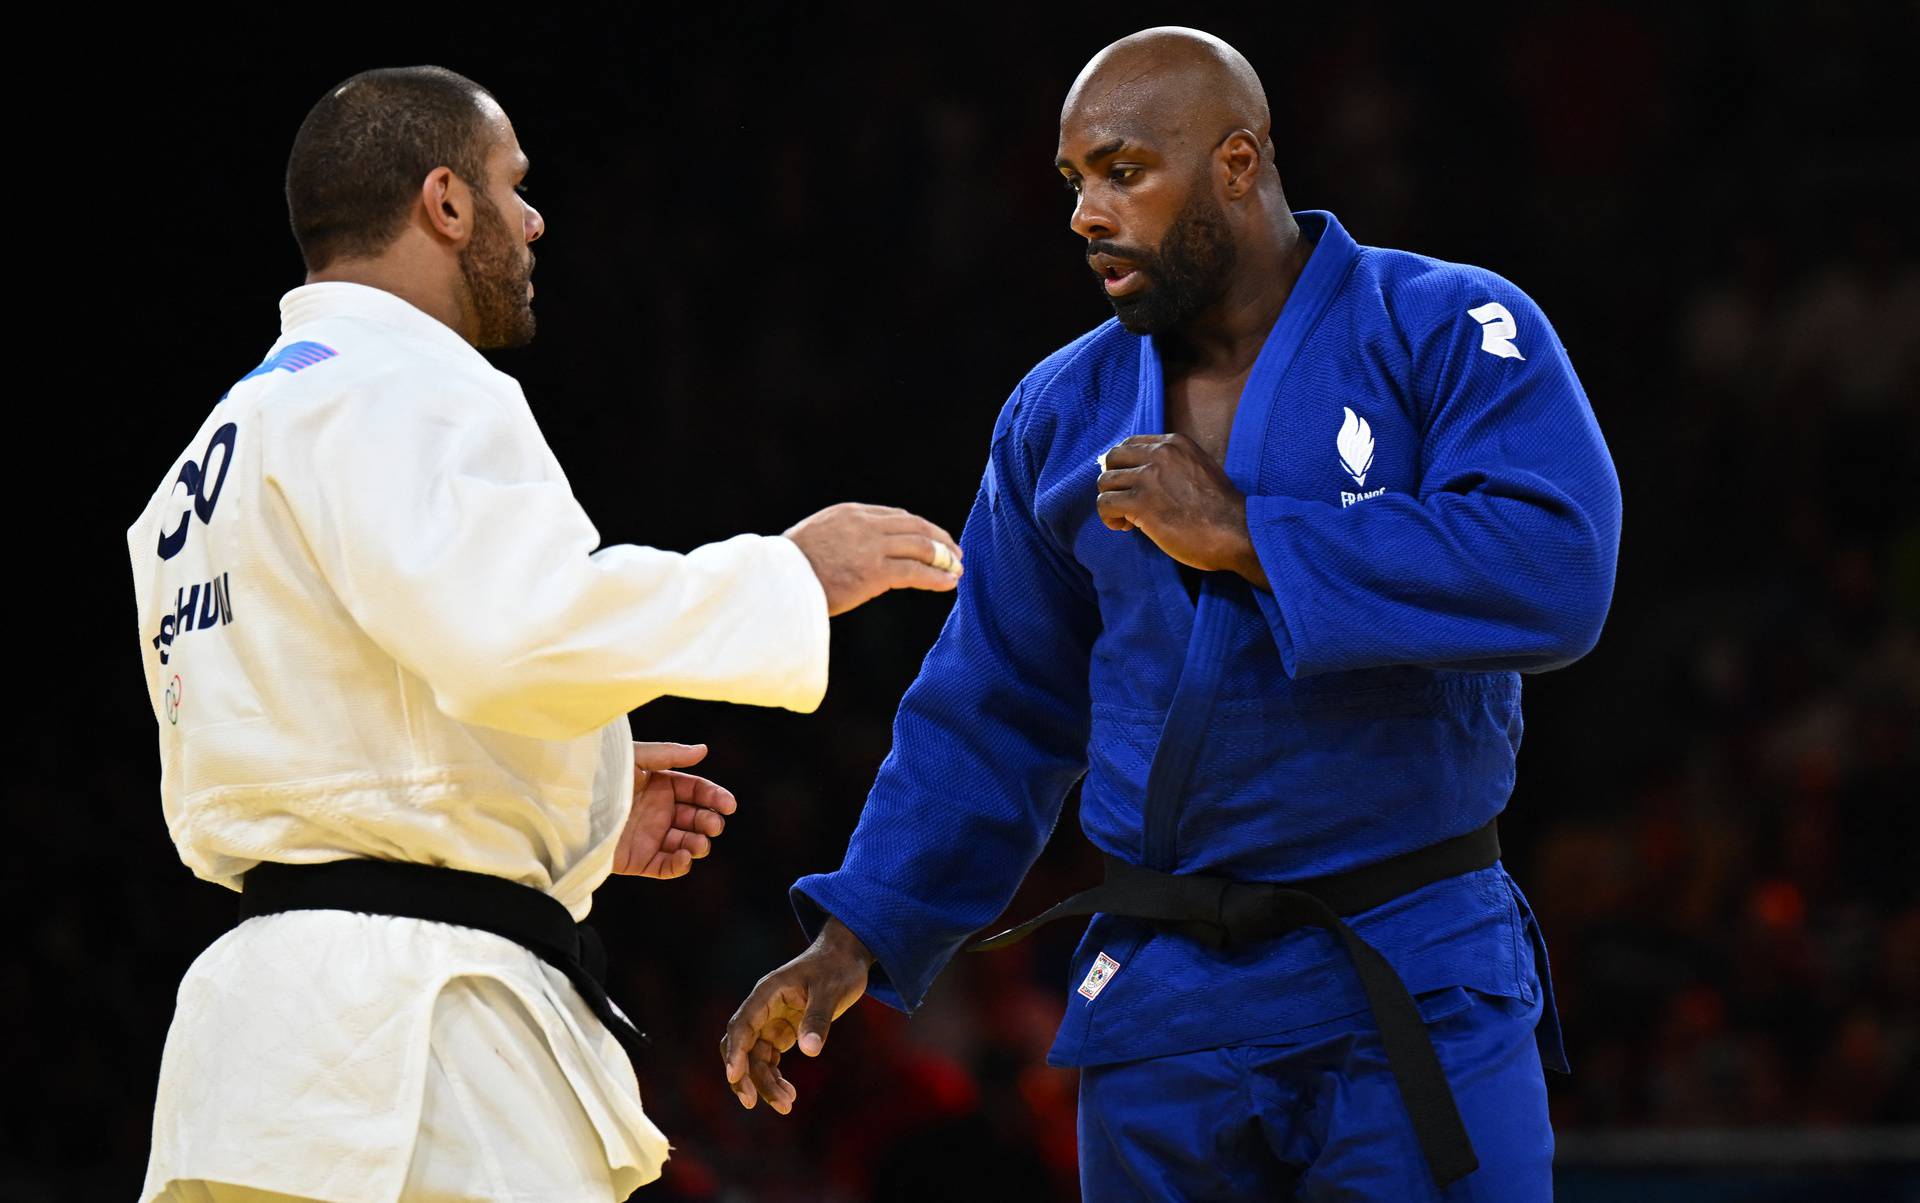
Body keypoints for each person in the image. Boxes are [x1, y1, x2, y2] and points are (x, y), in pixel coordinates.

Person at [723, 27, 1621, 1201]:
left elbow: (1555, 567)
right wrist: (857, 935)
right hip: (1166, 1007)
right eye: (1074, 182)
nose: (1087, 214)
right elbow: (994, 706)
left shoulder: (1443, 329)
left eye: (1124, 170)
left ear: (1239, 165)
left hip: (1412, 971)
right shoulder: (1061, 409)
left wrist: (1251, 535)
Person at [128, 66, 962, 1203]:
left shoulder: (212, 456)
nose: (533, 218)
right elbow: (506, 633)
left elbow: (342, 726)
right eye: (512, 185)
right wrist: (786, 577)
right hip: (415, 1059)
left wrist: (569, 798)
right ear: (446, 203)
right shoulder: (403, 379)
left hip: (261, 1064)